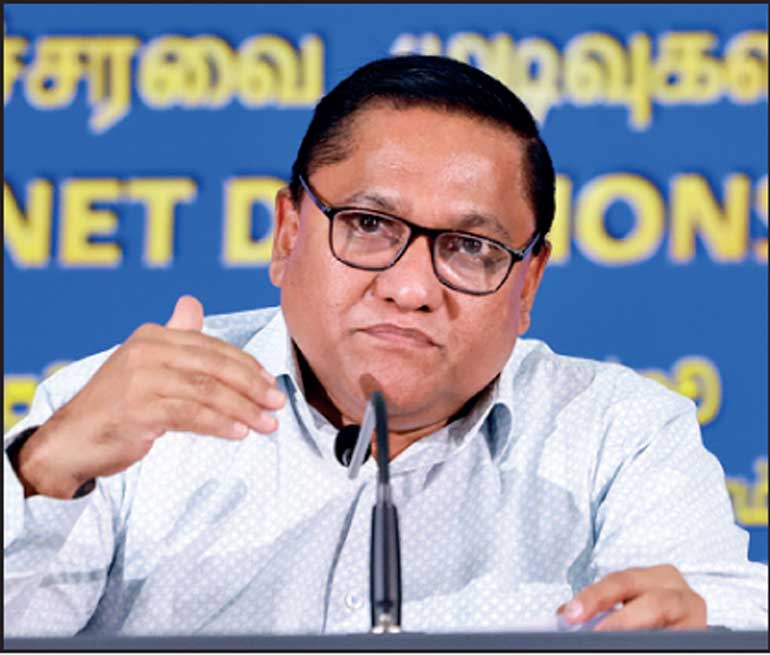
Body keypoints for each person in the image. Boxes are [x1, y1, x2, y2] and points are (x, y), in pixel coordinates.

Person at [3, 55, 767, 637]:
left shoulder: (619, 434)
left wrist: (706, 628)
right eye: (369, 225)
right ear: (288, 233)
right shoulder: (125, 413)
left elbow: (720, 603)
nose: (410, 287)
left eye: (471, 246)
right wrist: (41, 468)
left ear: (528, 283)